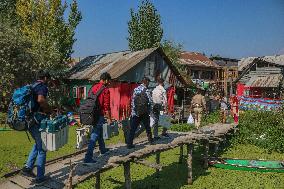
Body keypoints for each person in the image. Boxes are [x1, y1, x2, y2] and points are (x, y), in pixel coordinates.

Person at [21, 70, 52, 185]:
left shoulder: (32, 86)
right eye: (48, 79)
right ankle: (40, 177)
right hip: (34, 121)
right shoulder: (42, 86)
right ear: (44, 78)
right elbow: (41, 100)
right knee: (42, 147)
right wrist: (49, 110)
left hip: (27, 120)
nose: (48, 81)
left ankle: (27, 168)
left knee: (37, 143)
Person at [84, 72, 112, 163]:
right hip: (99, 114)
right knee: (95, 134)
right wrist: (109, 118)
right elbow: (106, 106)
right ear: (106, 80)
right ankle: (88, 158)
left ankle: (103, 150)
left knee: (98, 131)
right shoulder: (105, 90)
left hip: (90, 113)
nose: (109, 83)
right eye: (109, 81)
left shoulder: (93, 87)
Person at [127, 77, 153, 149]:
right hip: (144, 112)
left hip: (136, 112)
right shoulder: (147, 91)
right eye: (148, 82)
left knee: (133, 128)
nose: (149, 83)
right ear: (146, 82)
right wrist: (150, 111)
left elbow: (132, 102)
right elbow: (150, 102)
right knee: (147, 127)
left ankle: (129, 144)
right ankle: (150, 141)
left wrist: (133, 111)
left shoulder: (136, 89)